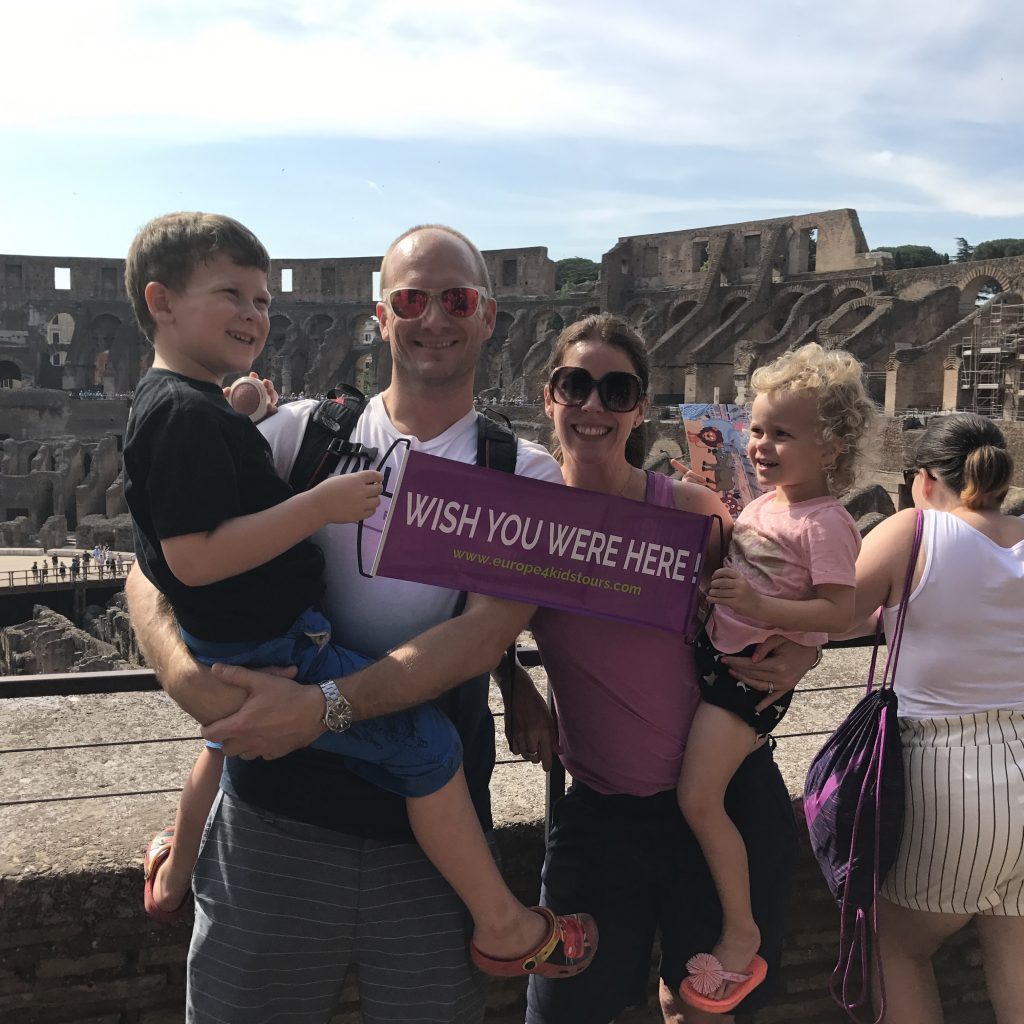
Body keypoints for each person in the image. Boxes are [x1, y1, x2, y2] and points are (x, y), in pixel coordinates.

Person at [124, 213, 595, 997]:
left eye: (455, 299)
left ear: (488, 314)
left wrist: (322, 709)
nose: (433, 319)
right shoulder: (295, 433)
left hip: (428, 847)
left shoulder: (527, 478)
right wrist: (186, 679)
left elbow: (479, 639)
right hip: (272, 824)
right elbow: (156, 569)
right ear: (380, 319)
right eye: (410, 302)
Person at [506, 314, 817, 1024]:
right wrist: (513, 680)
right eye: (575, 385)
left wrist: (806, 649)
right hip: (601, 809)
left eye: (616, 390)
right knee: (564, 1008)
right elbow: (463, 616)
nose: (593, 407)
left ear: (641, 408)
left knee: (702, 1008)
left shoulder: (691, 513)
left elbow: (783, 601)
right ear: (548, 394)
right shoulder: (526, 522)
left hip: (723, 803)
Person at [674, 343, 875, 1012]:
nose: (761, 444)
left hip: (747, 685)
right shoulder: (763, 507)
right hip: (719, 661)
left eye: (782, 433)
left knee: (698, 799)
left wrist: (763, 611)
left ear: (834, 446)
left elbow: (841, 609)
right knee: (701, 797)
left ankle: (740, 931)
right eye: (757, 429)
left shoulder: (826, 522)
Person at [847, 413, 1024, 1023]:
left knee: (897, 945)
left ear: (923, 480)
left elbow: (834, 610)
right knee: (1016, 945)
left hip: (955, 773)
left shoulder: (913, 530)